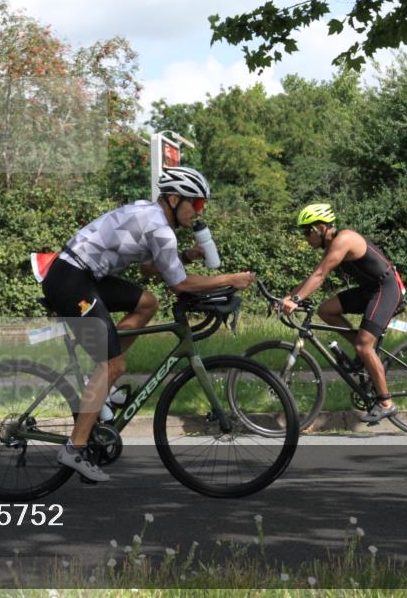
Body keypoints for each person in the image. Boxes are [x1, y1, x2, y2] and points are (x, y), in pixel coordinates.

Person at [42, 167, 256, 482]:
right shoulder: (160, 228)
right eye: (196, 204)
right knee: (113, 364)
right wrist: (231, 279)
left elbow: (147, 269)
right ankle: (74, 449)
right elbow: (180, 285)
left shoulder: (150, 215)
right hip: (71, 280)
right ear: (173, 199)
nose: (200, 212)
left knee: (146, 303)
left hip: (80, 274)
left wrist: (185, 254)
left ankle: (99, 380)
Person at [281, 204, 406, 424]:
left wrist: (297, 299)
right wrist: (288, 297)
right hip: (370, 291)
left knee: (363, 345)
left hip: (386, 289)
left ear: (320, 227)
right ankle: (362, 354)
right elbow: (314, 275)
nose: (305, 238)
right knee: (326, 310)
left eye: (307, 232)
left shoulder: (344, 239)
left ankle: (386, 403)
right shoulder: (332, 246)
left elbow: (320, 275)